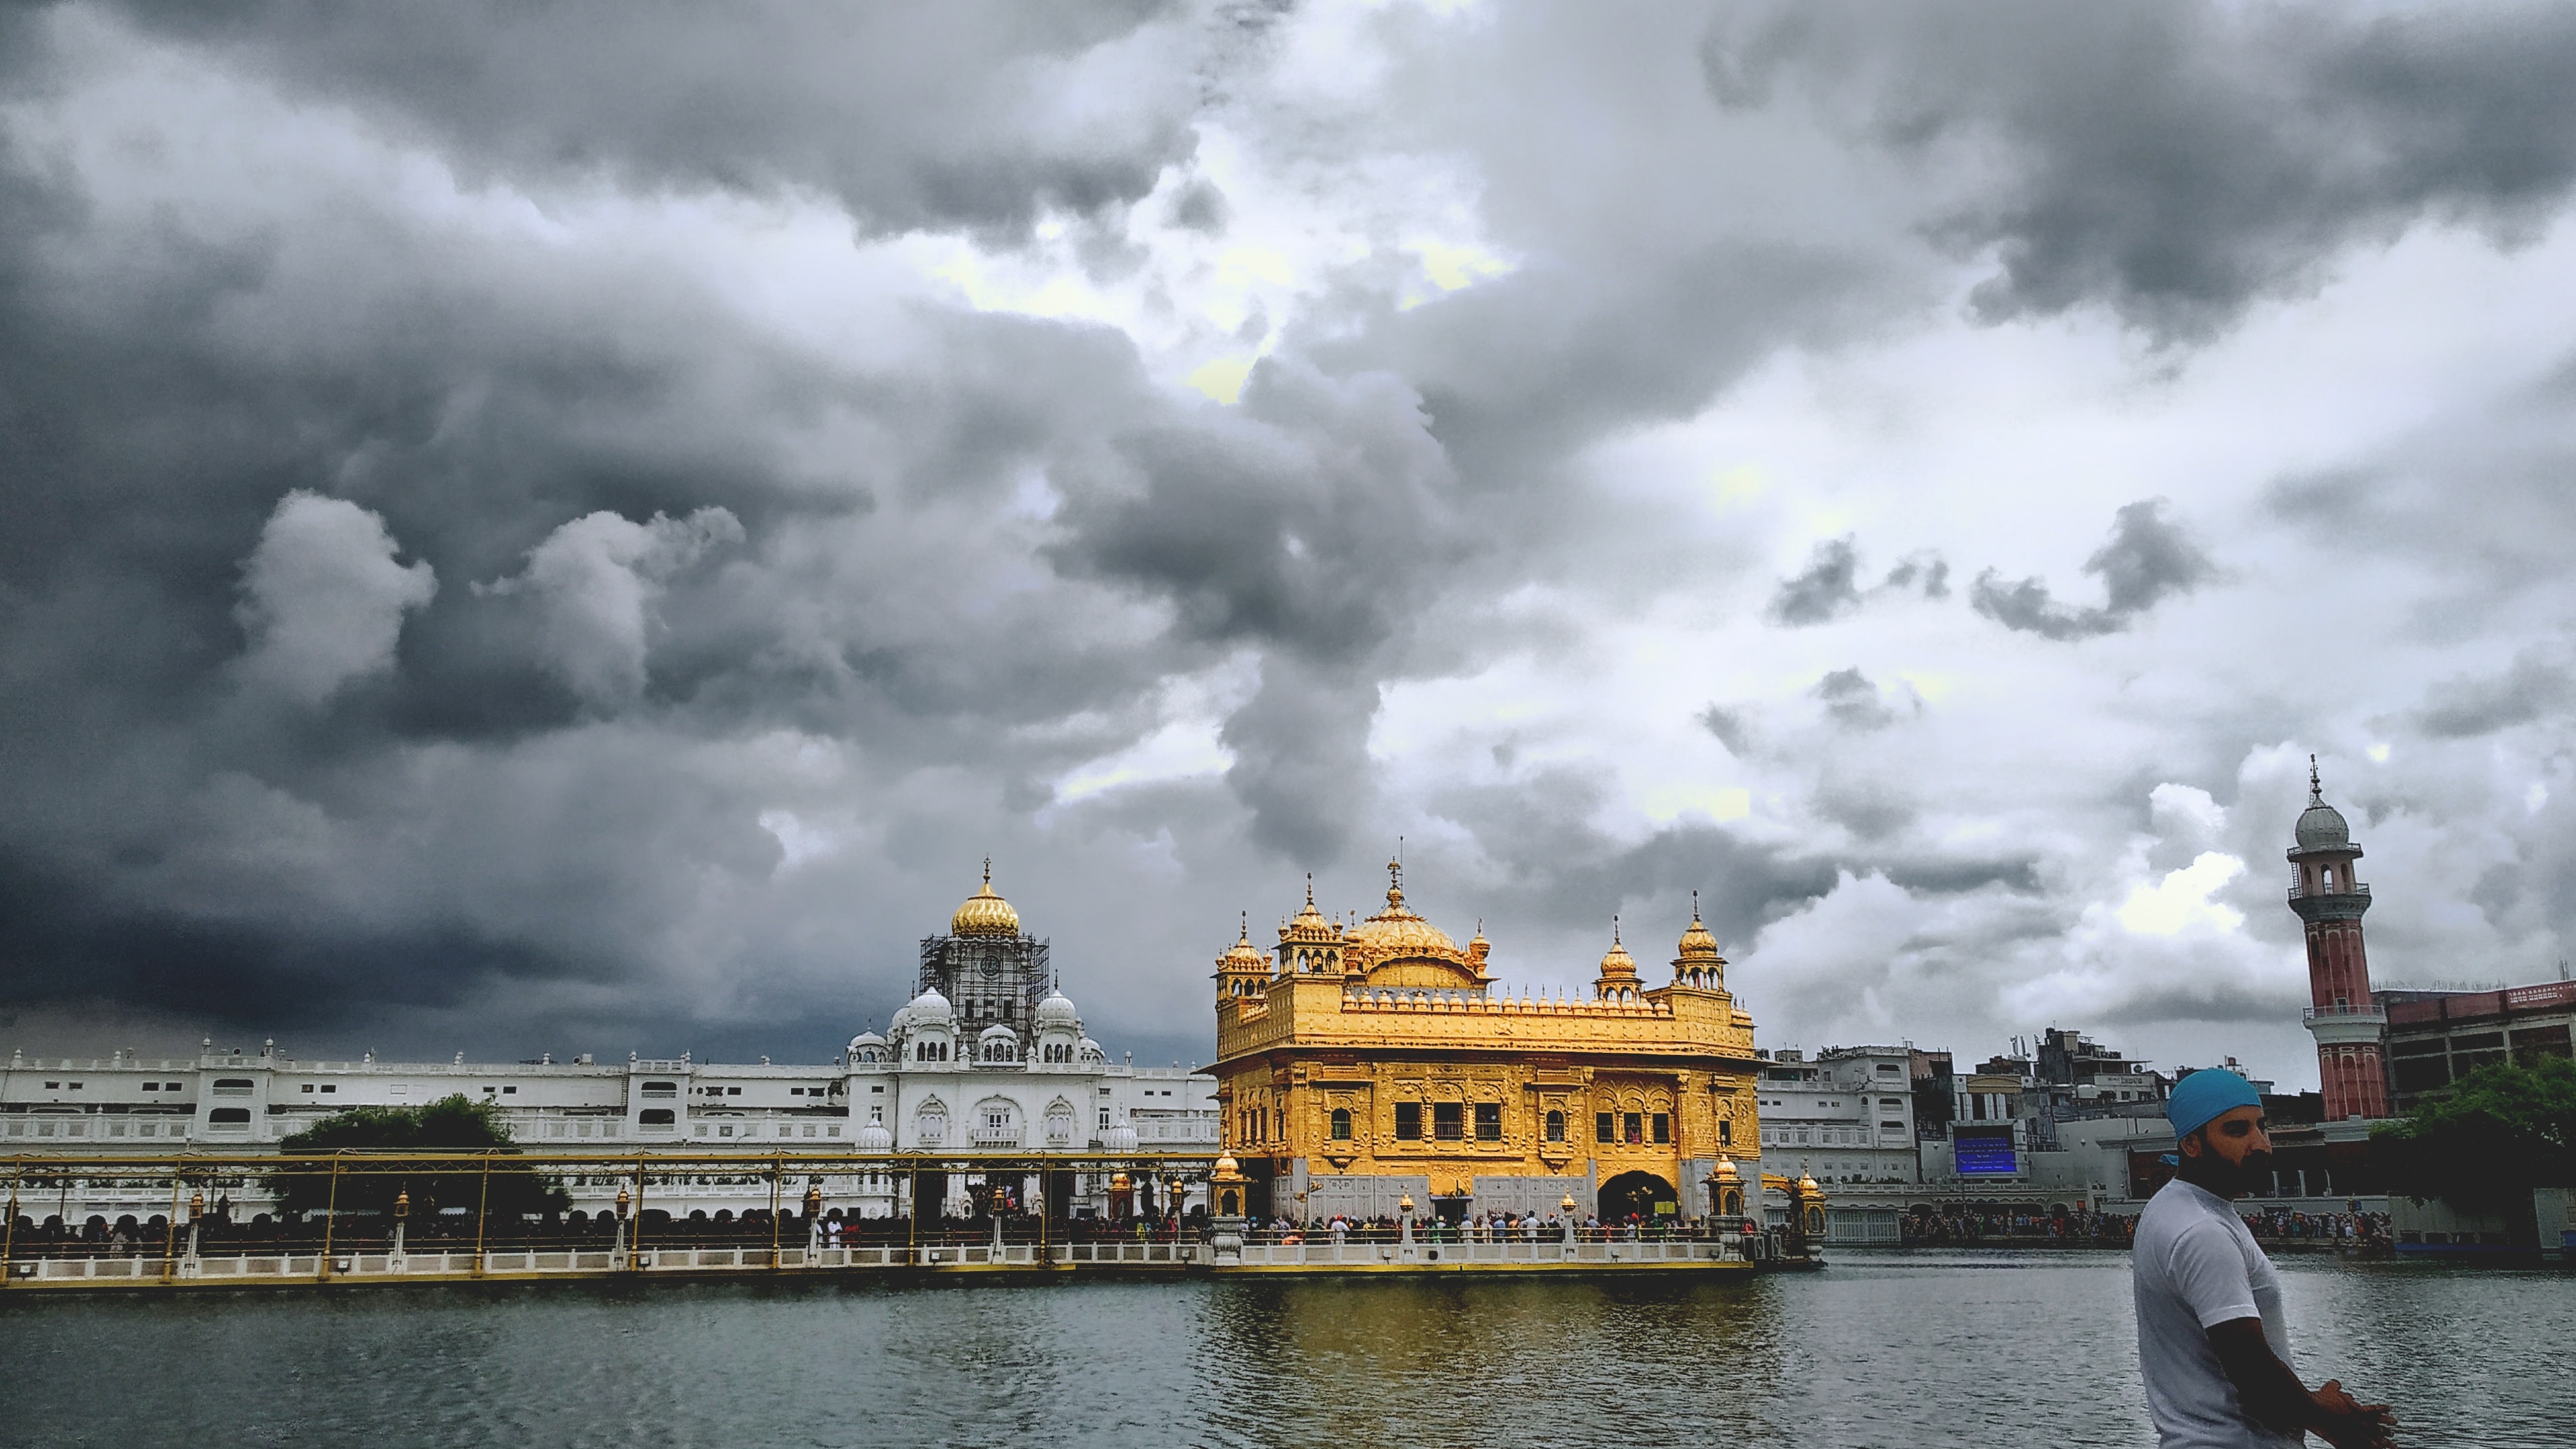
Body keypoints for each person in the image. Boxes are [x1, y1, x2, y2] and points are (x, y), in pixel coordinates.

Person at [2133, 1069, 2396, 1449]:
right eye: (2237, 1131)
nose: (2261, 1145)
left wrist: (2319, 1421)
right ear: (2192, 1144)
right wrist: (2323, 1412)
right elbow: (2249, 1366)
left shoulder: (2174, 1208)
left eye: (2261, 1127)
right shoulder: (2202, 1231)